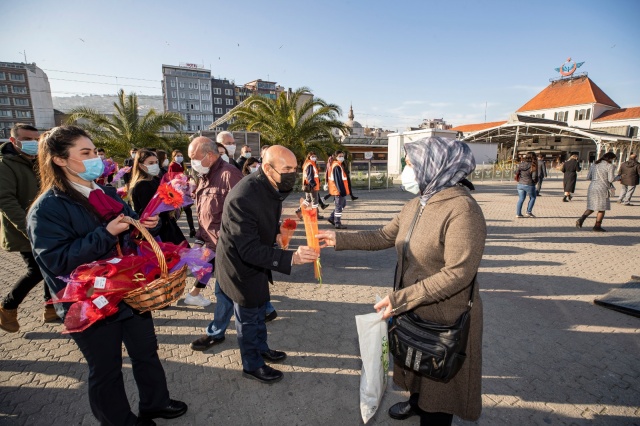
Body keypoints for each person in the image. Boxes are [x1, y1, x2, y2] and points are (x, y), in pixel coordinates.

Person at [318, 137, 484, 426]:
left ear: (436, 166)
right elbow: (384, 235)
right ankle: (417, 403)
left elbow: (458, 273)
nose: (407, 171)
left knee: (438, 381)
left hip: (444, 315)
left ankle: (430, 412)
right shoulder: (418, 202)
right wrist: (338, 238)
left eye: (411, 165)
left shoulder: (463, 210)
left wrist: (400, 299)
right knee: (416, 362)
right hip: (415, 306)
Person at [27, 125, 187, 426]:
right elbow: (56, 260)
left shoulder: (106, 192)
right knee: (106, 369)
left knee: (146, 352)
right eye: (84, 153)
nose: (94, 159)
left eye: (93, 151)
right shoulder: (47, 208)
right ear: (60, 160)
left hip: (127, 290)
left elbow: (129, 229)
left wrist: (144, 225)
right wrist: (105, 234)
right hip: (89, 303)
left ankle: (155, 403)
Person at [215, 145, 318, 383]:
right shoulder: (244, 196)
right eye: (287, 168)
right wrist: (291, 257)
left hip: (257, 262)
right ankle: (252, 364)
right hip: (240, 266)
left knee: (260, 308)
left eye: (295, 168)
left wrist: (283, 227)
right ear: (268, 168)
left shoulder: (271, 186)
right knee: (249, 316)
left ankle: (262, 348)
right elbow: (248, 248)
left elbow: (264, 222)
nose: (293, 173)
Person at [0, 124, 56, 333]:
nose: (33, 144)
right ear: (14, 141)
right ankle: (8, 306)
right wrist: (28, 228)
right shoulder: (6, 165)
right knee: (36, 270)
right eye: (27, 139)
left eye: (36, 139)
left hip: (47, 227)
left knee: (51, 266)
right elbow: (5, 200)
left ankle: (51, 309)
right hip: (24, 230)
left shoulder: (39, 162)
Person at [184, 137, 243, 311]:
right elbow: (204, 212)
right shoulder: (205, 175)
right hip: (211, 242)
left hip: (227, 246)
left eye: (194, 157)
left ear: (209, 155)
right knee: (226, 291)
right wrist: (200, 239)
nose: (192, 162)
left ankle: (217, 330)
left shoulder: (229, 175)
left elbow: (241, 212)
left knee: (227, 292)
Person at [129, 150, 187, 246]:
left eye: (156, 162)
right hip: (159, 233)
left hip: (166, 228)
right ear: (140, 165)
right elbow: (150, 211)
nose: (155, 165)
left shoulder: (154, 180)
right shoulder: (143, 185)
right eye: (151, 163)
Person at [576, 152, 617, 232]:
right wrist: (619, 177)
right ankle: (597, 226)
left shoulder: (594, 165)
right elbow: (611, 179)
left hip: (592, 187)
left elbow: (588, 177)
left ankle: (581, 219)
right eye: (613, 159)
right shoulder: (610, 166)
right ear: (610, 159)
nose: (613, 161)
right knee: (602, 208)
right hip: (602, 188)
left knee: (592, 206)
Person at [168, 149, 197, 237]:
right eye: (177, 156)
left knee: (187, 210)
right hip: (178, 191)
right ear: (173, 157)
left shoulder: (180, 165)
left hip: (183, 190)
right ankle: (171, 228)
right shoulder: (173, 165)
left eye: (181, 155)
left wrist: (186, 177)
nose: (180, 157)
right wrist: (184, 178)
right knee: (179, 211)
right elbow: (173, 178)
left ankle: (192, 229)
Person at [295, 151, 324, 220]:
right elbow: (310, 176)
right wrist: (313, 185)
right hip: (312, 186)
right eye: (312, 156)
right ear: (309, 157)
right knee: (315, 201)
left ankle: (299, 211)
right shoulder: (310, 165)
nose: (314, 158)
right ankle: (315, 215)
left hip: (307, 185)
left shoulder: (308, 164)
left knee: (308, 199)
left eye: (315, 156)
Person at [327, 150, 350, 229]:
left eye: (342, 156)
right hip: (338, 190)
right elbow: (338, 180)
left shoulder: (338, 165)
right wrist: (341, 191)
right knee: (339, 206)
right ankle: (337, 222)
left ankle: (332, 217)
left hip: (338, 190)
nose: (341, 157)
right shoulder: (336, 166)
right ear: (336, 157)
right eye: (340, 156)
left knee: (342, 205)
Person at [515, 153, 538, 218]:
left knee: (521, 199)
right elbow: (534, 177)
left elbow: (516, 172)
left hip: (520, 184)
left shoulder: (521, 164)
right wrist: (535, 182)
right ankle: (528, 212)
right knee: (533, 197)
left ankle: (518, 214)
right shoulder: (533, 165)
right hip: (529, 184)